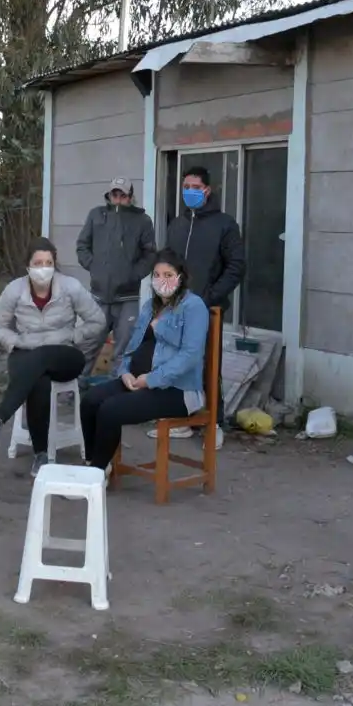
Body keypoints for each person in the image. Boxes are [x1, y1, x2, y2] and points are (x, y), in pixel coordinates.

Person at [79, 250, 209, 476]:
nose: (162, 280)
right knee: (90, 401)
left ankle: (96, 475)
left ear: (181, 277)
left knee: (110, 410)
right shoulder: (150, 306)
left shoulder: (193, 307)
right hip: (137, 380)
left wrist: (151, 379)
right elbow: (132, 347)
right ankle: (96, 463)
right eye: (157, 275)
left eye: (168, 274)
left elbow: (190, 355)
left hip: (176, 390)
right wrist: (125, 372)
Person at [0, 238, 105, 476]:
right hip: (25, 352)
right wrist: (15, 341)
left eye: (48, 262)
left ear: (55, 264)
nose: (43, 267)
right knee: (38, 379)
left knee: (40, 359)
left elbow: (98, 321)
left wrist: (74, 335)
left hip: (64, 355)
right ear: (28, 266)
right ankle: (41, 456)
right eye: (38, 263)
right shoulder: (15, 290)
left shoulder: (70, 287)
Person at [156, 165, 245, 441]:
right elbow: (167, 263)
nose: (190, 192)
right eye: (186, 188)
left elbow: (236, 266)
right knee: (177, 364)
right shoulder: (177, 224)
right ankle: (182, 420)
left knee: (208, 366)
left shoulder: (225, 224)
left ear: (207, 190)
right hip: (174, 308)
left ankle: (213, 425)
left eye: (196, 188)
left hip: (207, 309)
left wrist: (209, 297)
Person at [75, 176, 156, 375]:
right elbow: (82, 246)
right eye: (114, 194)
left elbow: (150, 254)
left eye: (123, 195)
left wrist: (134, 274)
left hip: (127, 297)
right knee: (88, 345)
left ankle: (117, 390)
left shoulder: (143, 221)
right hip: (99, 296)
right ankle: (76, 388)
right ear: (109, 195)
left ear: (130, 197)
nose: (118, 198)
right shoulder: (96, 215)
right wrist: (94, 266)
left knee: (125, 349)